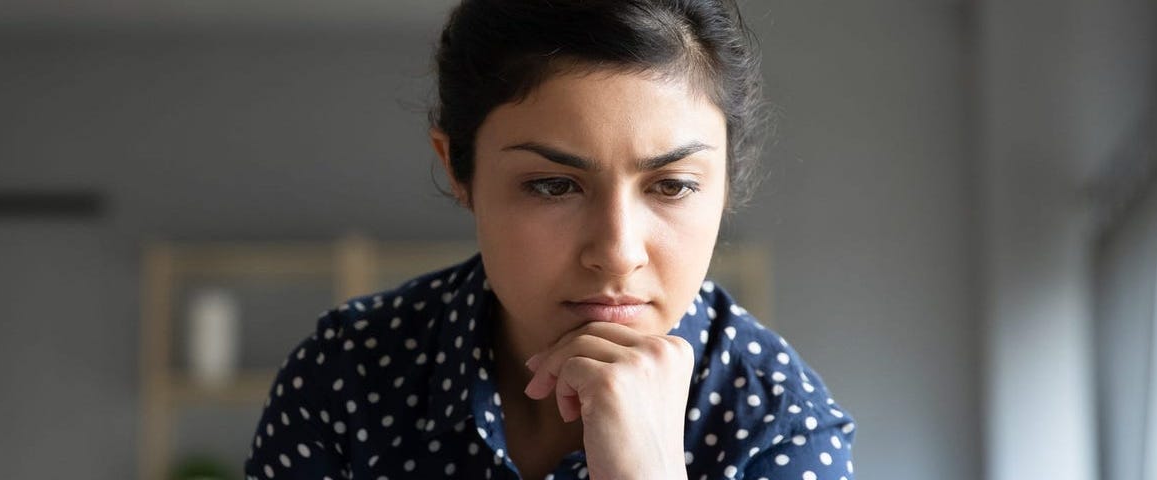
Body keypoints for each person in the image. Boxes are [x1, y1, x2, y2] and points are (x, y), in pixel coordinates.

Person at [245, 0, 856, 478]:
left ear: (726, 184)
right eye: (553, 186)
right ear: (460, 168)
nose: (617, 251)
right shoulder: (345, 375)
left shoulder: (781, 424)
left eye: (671, 186)